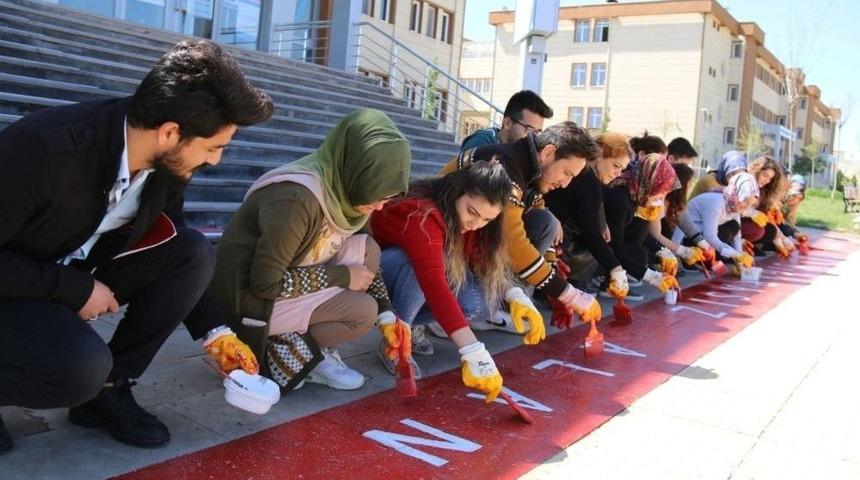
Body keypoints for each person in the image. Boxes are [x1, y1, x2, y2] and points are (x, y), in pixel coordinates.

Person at [0, 39, 273, 451]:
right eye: (214, 147)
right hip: (12, 288)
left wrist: (216, 334)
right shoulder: (44, 149)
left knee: (192, 252)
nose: (215, 160)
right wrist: (76, 290)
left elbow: (172, 243)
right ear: (170, 132)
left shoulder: (165, 165)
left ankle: (107, 392)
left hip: (63, 275)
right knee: (78, 366)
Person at [207, 109, 412, 393]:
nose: (379, 207)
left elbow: (369, 266)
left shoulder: (348, 191)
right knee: (363, 311)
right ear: (356, 169)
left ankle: (300, 344)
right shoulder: (296, 199)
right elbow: (265, 283)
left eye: (386, 199)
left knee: (368, 249)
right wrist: (341, 277)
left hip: (289, 285)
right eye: (376, 195)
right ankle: (279, 349)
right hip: (249, 301)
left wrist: (389, 316)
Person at [371, 162, 538, 402]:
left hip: (418, 276)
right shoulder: (423, 214)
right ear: (456, 192)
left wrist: (514, 294)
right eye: (472, 212)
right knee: (425, 264)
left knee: (477, 303)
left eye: (487, 219)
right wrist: (474, 351)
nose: (476, 224)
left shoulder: (475, 221)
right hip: (377, 276)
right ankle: (396, 339)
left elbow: (483, 264)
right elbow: (433, 282)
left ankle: (409, 326)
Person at [440, 123, 602, 333]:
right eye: (567, 173)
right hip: (441, 245)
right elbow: (513, 241)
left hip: (468, 246)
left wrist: (554, 285)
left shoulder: (529, 168)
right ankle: (433, 314)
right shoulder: (508, 166)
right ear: (549, 153)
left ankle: (497, 302)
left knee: (545, 221)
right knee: (473, 307)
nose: (565, 184)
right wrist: (567, 293)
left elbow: (543, 226)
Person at [544, 131, 631, 294]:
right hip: (557, 257)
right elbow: (590, 231)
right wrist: (615, 268)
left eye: (622, 169)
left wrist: (602, 221)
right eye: (615, 165)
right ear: (599, 154)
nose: (618, 174)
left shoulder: (590, 178)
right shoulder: (587, 179)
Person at [601, 153, 681, 299]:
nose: (661, 198)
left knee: (641, 229)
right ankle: (606, 280)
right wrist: (651, 276)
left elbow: (640, 233)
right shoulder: (620, 198)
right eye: (660, 191)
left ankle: (618, 277)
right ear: (650, 183)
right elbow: (614, 245)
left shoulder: (635, 195)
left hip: (613, 242)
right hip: (593, 248)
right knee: (638, 254)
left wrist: (662, 251)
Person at [673, 172, 760, 274]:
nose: (746, 206)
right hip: (688, 237)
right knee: (725, 233)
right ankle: (695, 259)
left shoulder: (733, 205)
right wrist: (735, 255)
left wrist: (740, 262)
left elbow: (737, 236)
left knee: (734, 227)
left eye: (750, 204)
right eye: (745, 201)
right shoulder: (716, 203)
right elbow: (710, 236)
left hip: (702, 236)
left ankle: (710, 259)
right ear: (735, 194)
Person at [646, 162, 706, 275]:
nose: (690, 186)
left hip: (655, 241)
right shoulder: (658, 200)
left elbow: (685, 222)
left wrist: (705, 246)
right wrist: (683, 251)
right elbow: (655, 234)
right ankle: (650, 264)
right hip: (645, 240)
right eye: (689, 183)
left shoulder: (672, 202)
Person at [460, 90, 553, 150]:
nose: (533, 138)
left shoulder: (522, 150)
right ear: (507, 123)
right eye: (529, 130)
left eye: (538, 132)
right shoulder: (481, 143)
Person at [744, 157, 788, 255]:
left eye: (770, 179)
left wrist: (782, 241)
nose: (766, 181)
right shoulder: (744, 184)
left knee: (770, 230)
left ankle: (749, 246)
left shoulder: (763, 192)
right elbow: (735, 210)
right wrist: (753, 214)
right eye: (765, 175)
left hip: (745, 224)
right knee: (756, 230)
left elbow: (767, 219)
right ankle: (736, 248)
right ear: (756, 170)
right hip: (731, 222)